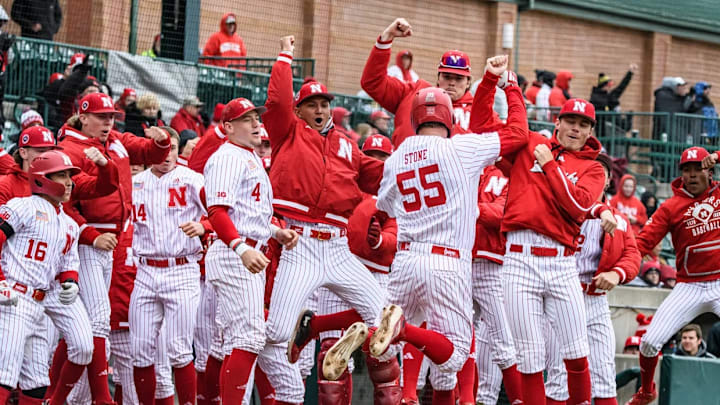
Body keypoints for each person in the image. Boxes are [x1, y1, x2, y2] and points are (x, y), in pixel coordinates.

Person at [333, 56, 528, 404]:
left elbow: (387, 206)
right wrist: (510, 88)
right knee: (453, 356)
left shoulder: (396, 156)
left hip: (406, 260)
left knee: (383, 350)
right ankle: (403, 331)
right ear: (450, 117)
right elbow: (517, 133)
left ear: (415, 118)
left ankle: (382, 331)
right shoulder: (463, 148)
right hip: (446, 261)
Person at [263, 35, 386, 404]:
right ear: (299, 110)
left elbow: (376, 175)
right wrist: (284, 55)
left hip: (337, 246)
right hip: (300, 244)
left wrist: (417, 162)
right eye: (311, 104)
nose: (319, 109)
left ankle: (317, 329)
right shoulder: (288, 131)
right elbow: (277, 101)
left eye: (324, 104)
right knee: (274, 332)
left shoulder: (347, 143)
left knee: (383, 314)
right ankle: (284, 390)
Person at [488, 84, 617, 404]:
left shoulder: (594, 167)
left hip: (561, 263)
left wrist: (548, 165)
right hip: (518, 259)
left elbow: (576, 206)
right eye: (570, 121)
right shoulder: (533, 143)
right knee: (530, 358)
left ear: (591, 131)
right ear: (557, 122)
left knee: (576, 351)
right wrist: (496, 85)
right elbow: (485, 131)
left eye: (583, 124)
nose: (576, 128)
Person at [53, 92, 170, 405]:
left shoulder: (115, 139)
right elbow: (65, 206)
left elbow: (151, 153)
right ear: (84, 115)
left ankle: (64, 397)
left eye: (112, 117)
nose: (108, 122)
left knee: (85, 333)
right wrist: (90, 235)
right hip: (86, 243)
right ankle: (101, 397)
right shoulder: (69, 149)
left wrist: (160, 142)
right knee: (98, 321)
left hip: (112, 240)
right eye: (102, 116)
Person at [204, 97, 299, 403]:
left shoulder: (248, 156)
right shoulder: (227, 156)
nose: (257, 123)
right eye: (247, 119)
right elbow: (217, 212)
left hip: (247, 251)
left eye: (256, 117)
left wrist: (275, 232)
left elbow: (247, 214)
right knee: (249, 338)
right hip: (235, 254)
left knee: (234, 342)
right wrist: (241, 248)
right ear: (228, 127)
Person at [544, 153, 641, 405]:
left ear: (608, 181)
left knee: (604, 374)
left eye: (602, 173)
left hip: (595, 300)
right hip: (562, 296)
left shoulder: (618, 219)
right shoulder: (562, 209)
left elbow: (632, 255)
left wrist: (617, 273)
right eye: (590, 171)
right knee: (558, 376)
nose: (596, 177)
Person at [627, 146, 720, 405]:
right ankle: (646, 390)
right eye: (686, 170)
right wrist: (623, 264)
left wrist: (718, 155)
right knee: (649, 342)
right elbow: (643, 242)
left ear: (709, 171)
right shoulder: (671, 206)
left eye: (697, 168)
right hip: (689, 286)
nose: (691, 174)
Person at [313, 133, 399, 404]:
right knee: (330, 356)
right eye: (371, 157)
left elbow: (399, 235)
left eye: (381, 157)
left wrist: (381, 240)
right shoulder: (346, 186)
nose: (376, 162)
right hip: (340, 269)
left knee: (382, 352)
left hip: (376, 274)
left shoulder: (394, 192)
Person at [129, 128, 207, 405]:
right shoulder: (135, 182)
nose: (168, 154)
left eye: (173, 148)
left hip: (182, 269)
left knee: (179, 350)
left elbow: (222, 212)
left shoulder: (192, 179)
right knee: (138, 350)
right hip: (146, 271)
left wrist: (204, 225)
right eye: (162, 148)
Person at [0, 150, 83, 405]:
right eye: (61, 175)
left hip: (39, 304)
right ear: (42, 178)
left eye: (70, 176)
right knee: (4, 375)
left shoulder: (68, 223)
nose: (69, 182)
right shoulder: (21, 206)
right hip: (13, 297)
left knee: (37, 383)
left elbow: (68, 261)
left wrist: (71, 281)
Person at [360, 18, 500, 148]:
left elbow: (504, 147)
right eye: (447, 76)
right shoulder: (415, 94)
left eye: (458, 79)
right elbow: (372, 82)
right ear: (438, 78)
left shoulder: (482, 113)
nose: (452, 83)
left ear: (468, 82)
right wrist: (387, 37)